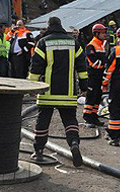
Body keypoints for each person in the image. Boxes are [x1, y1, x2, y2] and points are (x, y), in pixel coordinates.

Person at [27, 17, 88, 167]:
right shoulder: (73, 43)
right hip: (68, 93)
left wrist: (31, 86)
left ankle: (39, 150)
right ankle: (74, 143)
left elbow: (36, 67)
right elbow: (82, 67)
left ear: (49, 27)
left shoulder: (43, 42)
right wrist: (84, 87)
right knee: (69, 120)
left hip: (47, 92)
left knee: (43, 121)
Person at [83, 23, 109, 126]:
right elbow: (94, 63)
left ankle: (94, 116)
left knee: (98, 96)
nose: (104, 35)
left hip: (99, 76)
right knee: (91, 97)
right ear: (96, 33)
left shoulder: (101, 45)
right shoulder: (91, 45)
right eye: (102, 33)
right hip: (93, 76)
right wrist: (104, 64)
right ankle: (87, 117)